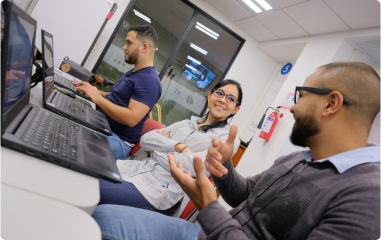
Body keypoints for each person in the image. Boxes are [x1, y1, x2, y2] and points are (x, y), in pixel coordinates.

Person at [92, 62, 381, 240]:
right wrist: (224, 166)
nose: (292, 107)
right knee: (102, 216)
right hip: (205, 233)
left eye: (301, 96)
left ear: (331, 104)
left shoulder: (367, 196)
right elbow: (243, 194)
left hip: (212, 228)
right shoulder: (300, 158)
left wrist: (208, 208)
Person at [97, 79, 242, 216]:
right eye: (220, 93)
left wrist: (158, 150)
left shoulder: (228, 139)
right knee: (89, 167)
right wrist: (179, 147)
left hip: (159, 192)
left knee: (94, 187)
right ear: (210, 95)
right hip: (138, 169)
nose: (223, 100)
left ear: (236, 109)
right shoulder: (187, 123)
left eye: (231, 99)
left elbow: (196, 167)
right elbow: (146, 140)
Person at [74, 24, 162, 159]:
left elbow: (131, 118)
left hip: (119, 140)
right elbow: (116, 98)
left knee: (72, 137)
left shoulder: (149, 81)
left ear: (144, 47)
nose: (124, 47)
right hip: (104, 125)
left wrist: (98, 99)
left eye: (129, 43)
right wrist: (93, 91)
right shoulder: (135, 72)